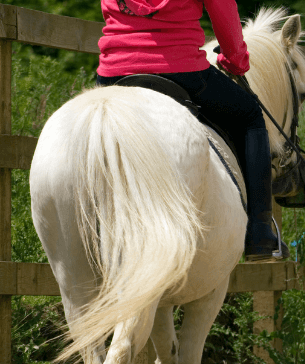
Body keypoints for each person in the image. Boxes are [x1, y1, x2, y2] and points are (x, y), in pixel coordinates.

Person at [95, 0, 288, 260]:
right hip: (182, 69)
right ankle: (260, 231)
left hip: (114, 71)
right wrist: (236, 61)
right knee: (251, 116)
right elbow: (223, 10)